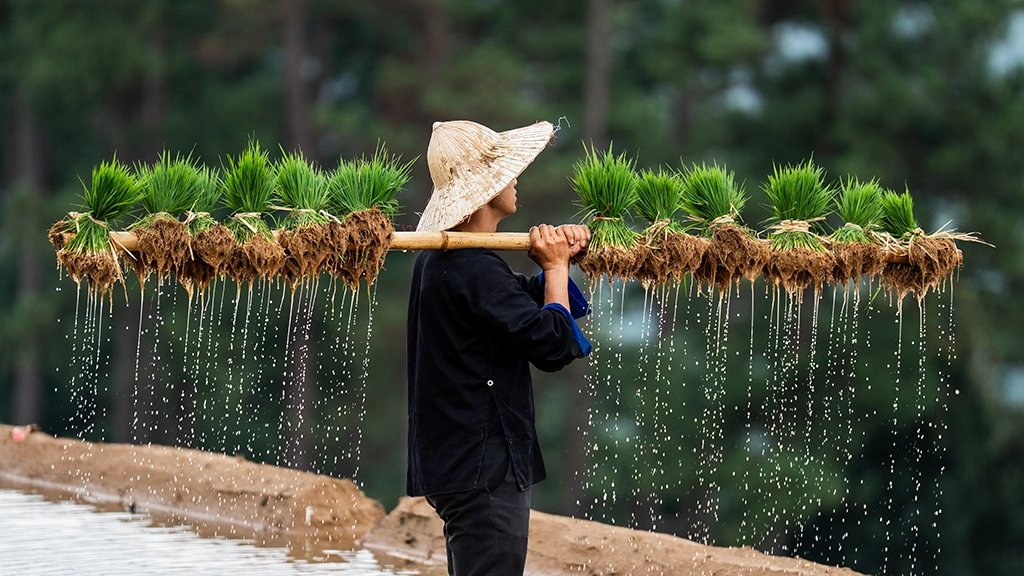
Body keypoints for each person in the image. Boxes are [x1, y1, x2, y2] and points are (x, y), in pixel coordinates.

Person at [407, 120, 592, 575]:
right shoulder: (473, 267)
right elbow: (552, 345)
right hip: (483, 467)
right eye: (508, 173)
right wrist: (554, 268)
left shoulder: (441, 260)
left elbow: (516, 298)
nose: (515, 181)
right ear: (485, 189)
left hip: (457, 462)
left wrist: (561, 260)